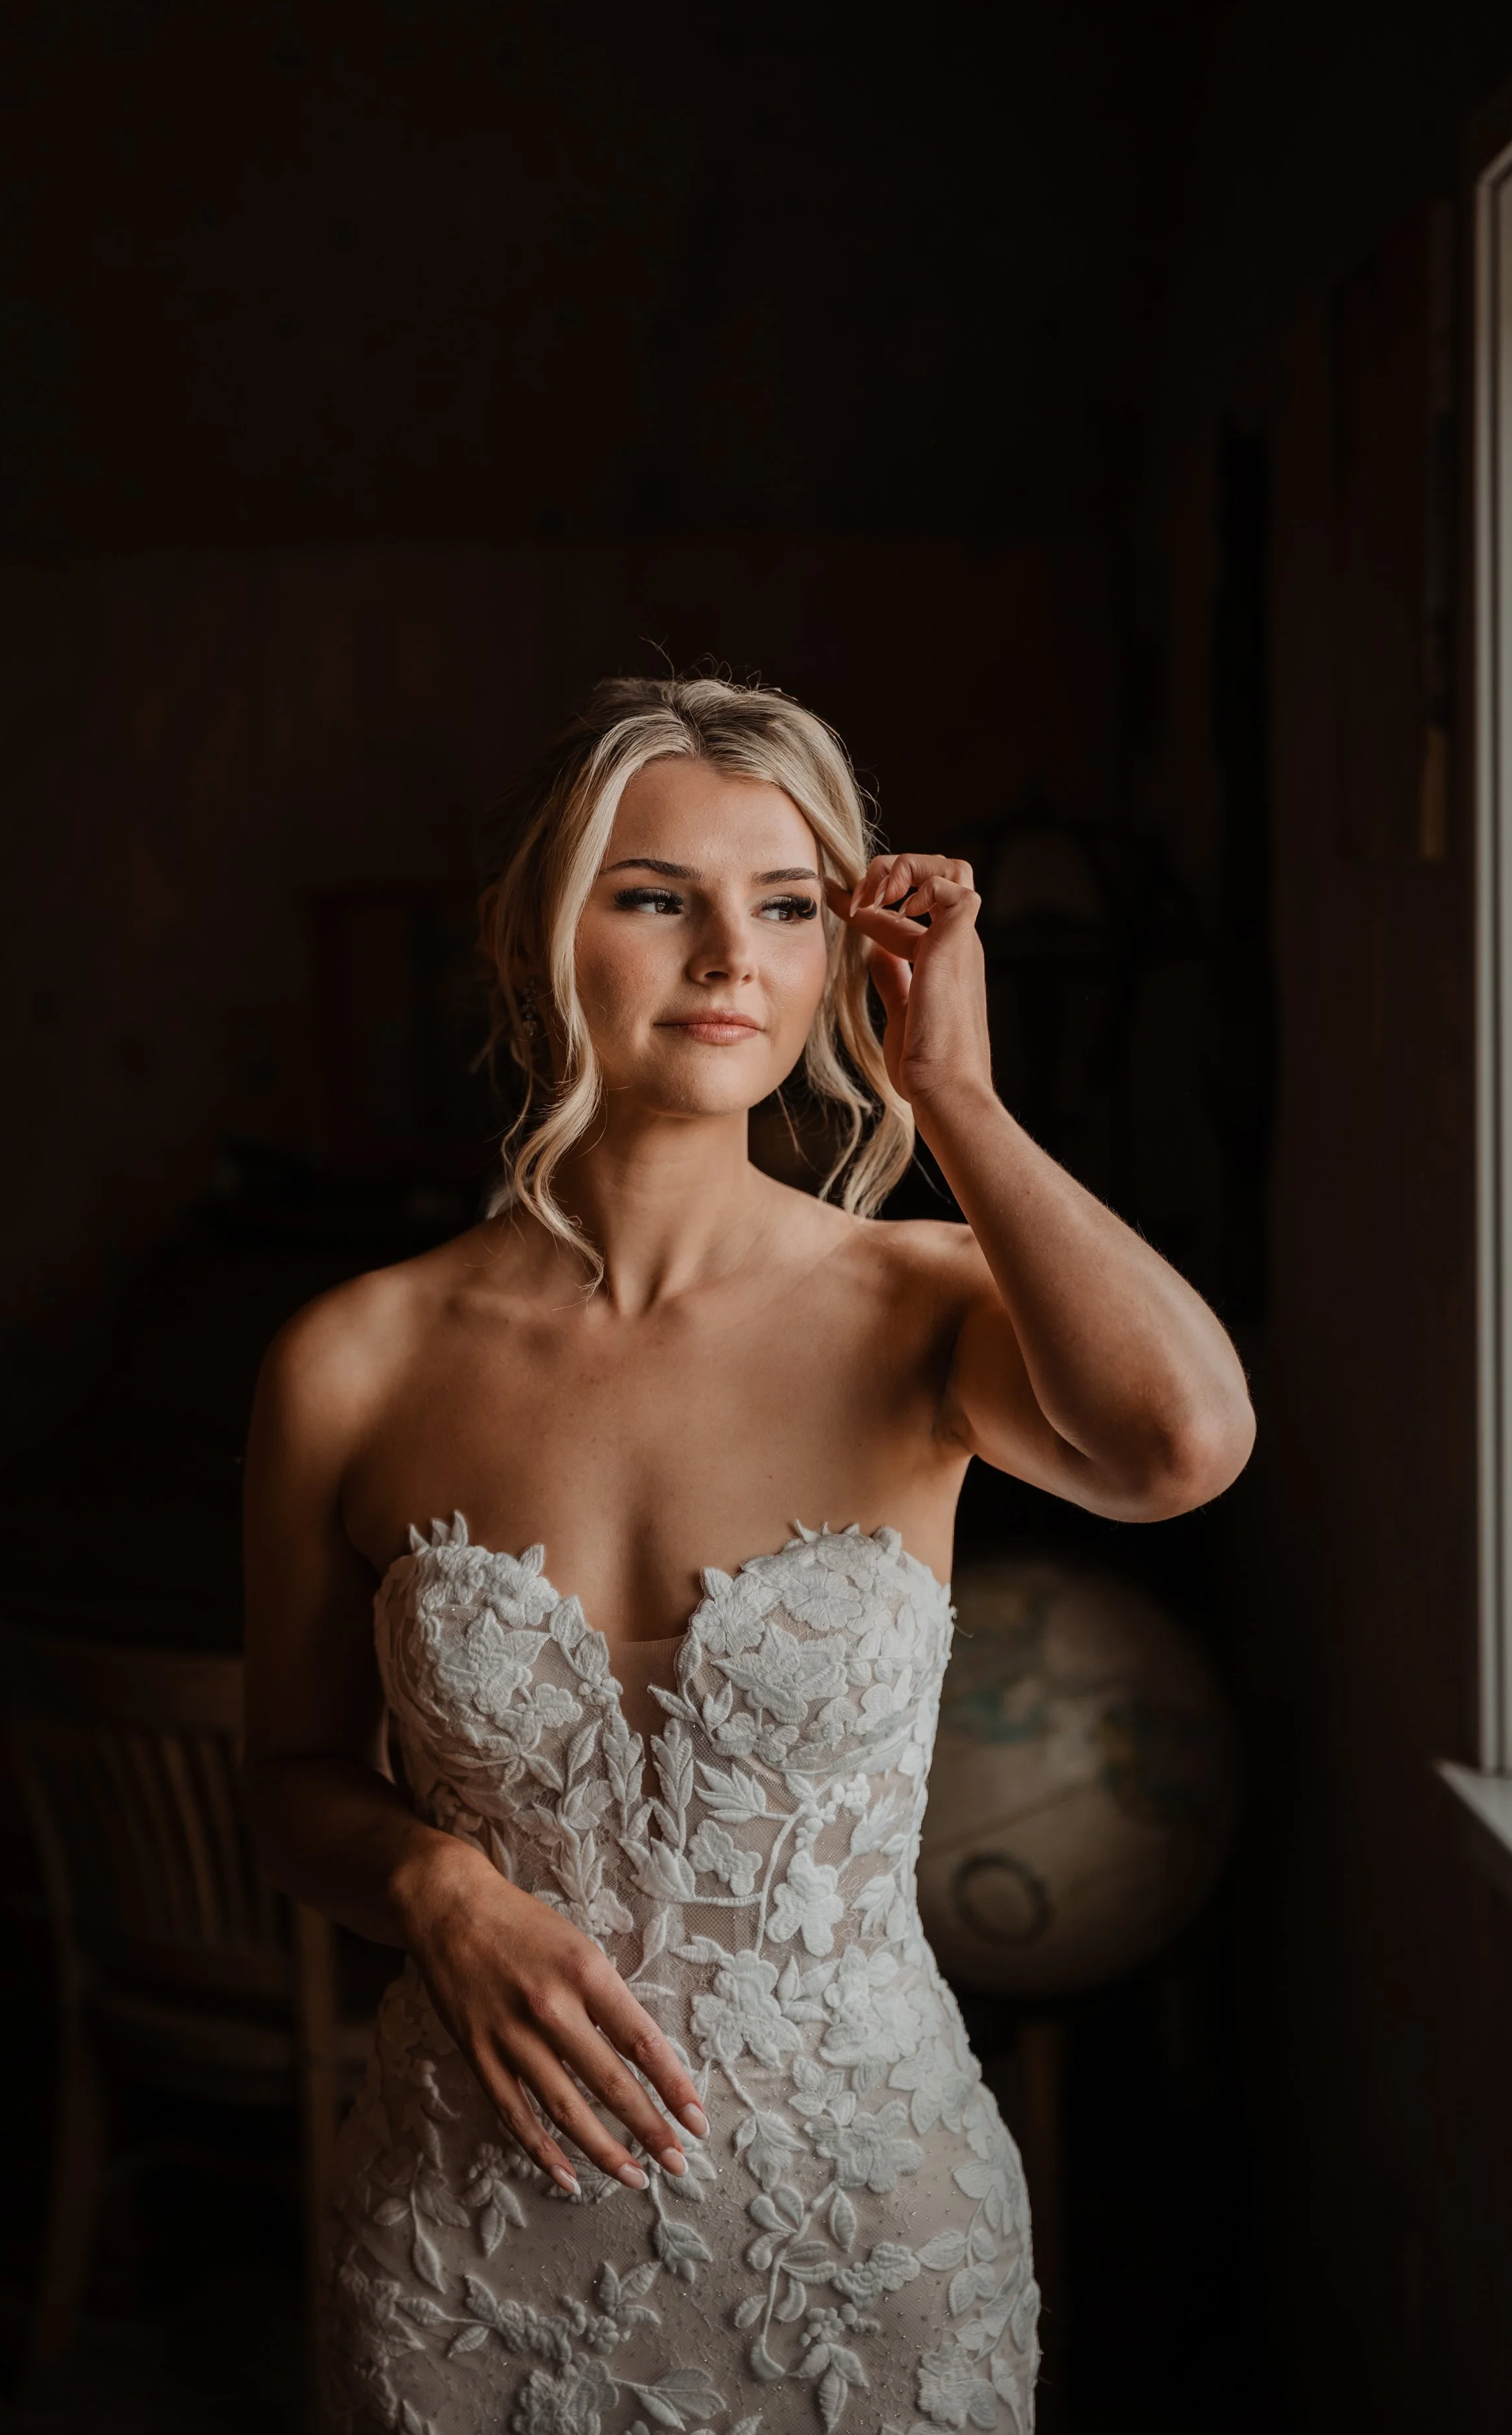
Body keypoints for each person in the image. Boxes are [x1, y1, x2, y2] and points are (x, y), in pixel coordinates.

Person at [242, 674, 1254, 2435]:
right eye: (657, 896)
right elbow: (291, 1779)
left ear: (840, 953)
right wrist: (436, 1886)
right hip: (471, 2240)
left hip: (862, 2237)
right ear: (538, 936)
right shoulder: (355, 1359)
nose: (730, 953)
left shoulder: (924, 1298)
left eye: (785, 905)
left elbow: (1183, 1444)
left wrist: (961, 1102)